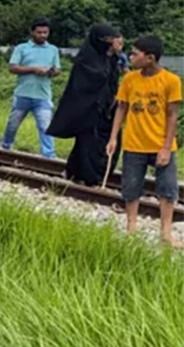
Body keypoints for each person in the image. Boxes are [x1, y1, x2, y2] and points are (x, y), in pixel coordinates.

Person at [107, 36, 180, 246]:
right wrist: (113, 137)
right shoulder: (130, 79)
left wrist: (166, 147)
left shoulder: (171, 81)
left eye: (135, 54)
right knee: (131, 188)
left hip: (160, 144)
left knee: (167, 190)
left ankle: (166, 233)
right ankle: (131, 229)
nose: (131, 57)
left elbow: (172, 115)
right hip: (134, 143)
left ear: (150, 58)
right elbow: (122, 107)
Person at [48, 24, 122, 186]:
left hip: (106, 110)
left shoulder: (112, 59)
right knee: (88, 142)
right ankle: (89, 177)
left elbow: (113, 81)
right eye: (111, 41)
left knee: (100, 141)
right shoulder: (86, 60)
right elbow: (93, 81)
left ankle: (76, 171)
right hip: (87, 109)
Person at [2, 19, 62, 158]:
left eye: (45, 32)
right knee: (13, 125)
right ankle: (6, 146)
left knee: (45, 126)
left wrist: (51, 72)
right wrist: (33, 69)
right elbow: (13, 67)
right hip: (23, 93)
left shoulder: (53, 49)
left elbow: (58, 69)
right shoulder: (22, 48)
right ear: (32, 32)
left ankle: (48, 155)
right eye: (39, 32)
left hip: (43, 95)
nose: (42, 35)